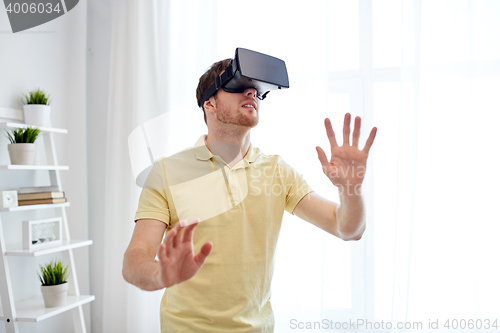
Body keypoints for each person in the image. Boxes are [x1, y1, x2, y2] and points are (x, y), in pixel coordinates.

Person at [122, 57, 377, 332]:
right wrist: (161, 273)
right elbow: (135, 260)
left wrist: (350, 189)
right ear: (209, 103)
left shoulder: (278, 172)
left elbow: (348, 229)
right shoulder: (166, 172)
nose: (252, 92)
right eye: (238, 84)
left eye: (256, 88)